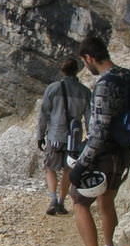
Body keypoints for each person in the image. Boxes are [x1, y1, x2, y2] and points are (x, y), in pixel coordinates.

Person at [68, 34, 130, 246]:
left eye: (85, 62)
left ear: (89, 58)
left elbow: (99, 130)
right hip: (125, 151)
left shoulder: (104, 84)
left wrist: (82, 163)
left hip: (104, 153)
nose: (86, 67)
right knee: (106, 199)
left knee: (78, 200)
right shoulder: (128, 77)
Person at [35, 57, 91, 216]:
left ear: (62, 71)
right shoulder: (85, 92)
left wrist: (40, 135)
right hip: (74, 139)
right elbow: (89, 118)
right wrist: (89, 139)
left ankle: (52, 199)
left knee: (50, 168)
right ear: (76, 70)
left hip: (54, 136)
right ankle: (61, 202)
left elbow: (44, 114)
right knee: (68, 169)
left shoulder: (53, 88)